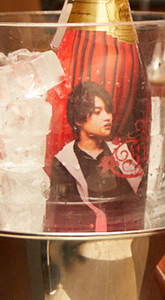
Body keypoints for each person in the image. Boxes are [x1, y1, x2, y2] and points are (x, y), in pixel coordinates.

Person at [46, 81, 145, 232]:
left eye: (108, 111)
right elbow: (59, 215)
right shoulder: (64, 162)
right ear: (78, 119)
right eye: (98, 112)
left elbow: (140, 197)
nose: (107, 118)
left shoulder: (120, 154)